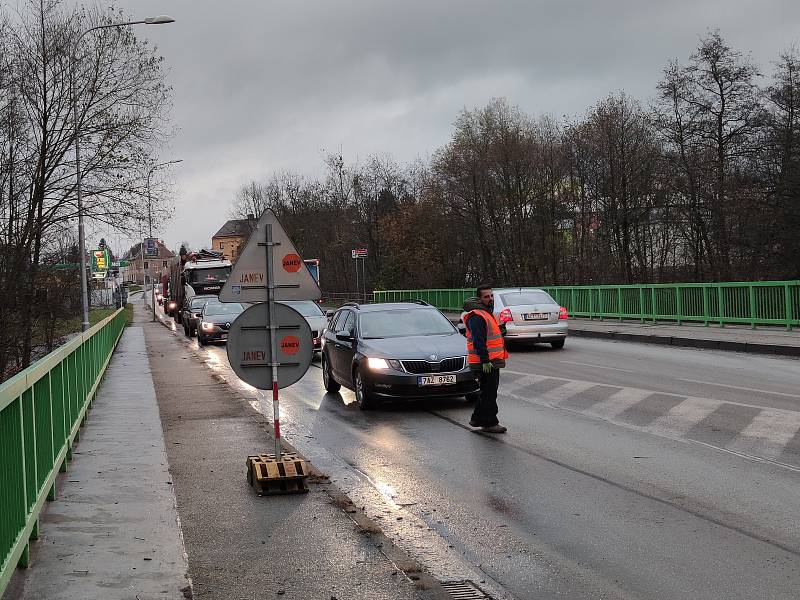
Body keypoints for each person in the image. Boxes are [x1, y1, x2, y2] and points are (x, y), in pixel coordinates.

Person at [463, 284, 508, 433]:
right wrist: (485, 361)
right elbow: (478, 341)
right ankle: (489, 423)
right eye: (486, 296)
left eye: (491, 296)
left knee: (487, 392)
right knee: (489, 393)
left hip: (492, 360)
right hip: (486, 362)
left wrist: (502, 331)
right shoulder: (477, 316)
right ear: (479, 299)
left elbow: (490, 336)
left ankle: (477, 419)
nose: (490, 299)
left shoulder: (487, 313)